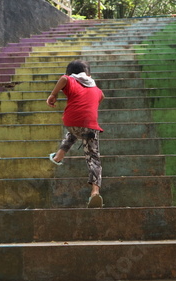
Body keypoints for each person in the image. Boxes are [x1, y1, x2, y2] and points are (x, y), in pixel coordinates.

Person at [46, 60, 105, 208]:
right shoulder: (96, 89)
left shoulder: (71, 79)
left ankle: (59, 155)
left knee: (73, 132)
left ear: (71, 73)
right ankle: (95, 193)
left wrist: (53, 95)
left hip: (71, 122)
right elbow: (102, 96)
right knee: (93, 158)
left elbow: (64, 79)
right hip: (90, 126)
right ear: (88, 74)